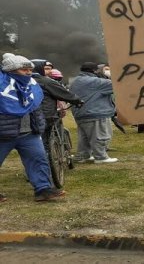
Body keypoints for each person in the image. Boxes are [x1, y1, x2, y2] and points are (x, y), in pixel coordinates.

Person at [0, 53, 65, 202]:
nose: (29, 72)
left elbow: (36, 107)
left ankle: (43, 190)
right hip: (3, 134)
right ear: (11, 70)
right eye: (24, 70)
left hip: (29, 133)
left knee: (39, 160)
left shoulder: (32, 85)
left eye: (30, 69)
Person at [70, 62, 118, 163]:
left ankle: (83, 156)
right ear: (95, 71)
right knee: (101, 136)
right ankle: (101, 157)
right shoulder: (95, 81)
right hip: (95, 112)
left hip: (80, 113)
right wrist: (110, 76)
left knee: (84, 138)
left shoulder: (76, 80)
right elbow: (117, 85)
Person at [31, 59, 83, 153]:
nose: (49, 71)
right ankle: (48, 161)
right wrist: (77, 101)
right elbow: (63, 93)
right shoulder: (46, 81)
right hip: (46, 115)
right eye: (45, 68)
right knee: (46, 141)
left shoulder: (21, 80)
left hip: (27, 116)